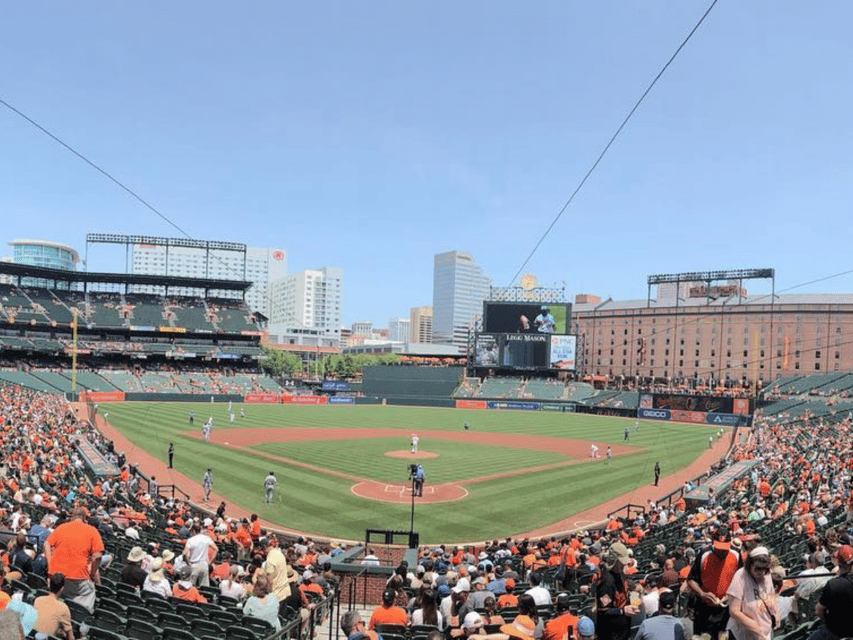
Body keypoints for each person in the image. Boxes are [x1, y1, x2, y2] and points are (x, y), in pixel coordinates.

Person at [44, 506, 104, 613]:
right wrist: (92, 573)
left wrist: (50, 565)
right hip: (78, 578)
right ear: (84, 519)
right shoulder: (92, 530)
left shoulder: (61, 527)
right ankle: (79, 623)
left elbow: (46, 544)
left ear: (72, 517)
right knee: (90, 593)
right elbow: (97, 557)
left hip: (56, 577)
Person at [687, 527, 740, 639]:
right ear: (712, 543)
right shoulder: (704, 554)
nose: (722, 552)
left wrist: (731, 594)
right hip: (704, 609)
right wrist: (702, 593)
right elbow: (691, 579)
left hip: (726, 609)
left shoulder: (736, 555)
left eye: (725, 548)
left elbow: (742, 580)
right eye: (719, 548)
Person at [726, 546, 776, 640]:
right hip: (744, 634)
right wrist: (756, 630)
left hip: (765, 632)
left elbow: (771, 596)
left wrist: (776, 615)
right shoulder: (740, 576)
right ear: (750, 565)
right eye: (758, 568)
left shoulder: (767, 574)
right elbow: (734, 611)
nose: (761, 572)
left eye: (764, 568)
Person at [808, 544, 853, 640]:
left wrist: (837, 577)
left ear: (838, 562)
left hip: (836, 632)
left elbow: (818, 611)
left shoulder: (833, 585)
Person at [596, 542, 638, 640]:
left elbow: (633, 590)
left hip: (623, 630)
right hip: (611, 633)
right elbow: (603, 611)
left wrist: (635, 602)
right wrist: (622, 611)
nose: (625, 564)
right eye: (621, 561)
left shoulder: (620, 573)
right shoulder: (606, 582)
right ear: (614, 561)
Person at [32, 572, 74, 640]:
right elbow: (70, 637)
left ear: (49, 585)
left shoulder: (38, 600)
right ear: (62, 588)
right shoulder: (63, 608)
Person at [182, 522, 217, 587]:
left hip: (194, 565)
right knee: (204, 588)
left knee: (190, 587)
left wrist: (188, 562)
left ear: (193, 530)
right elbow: (216, 549)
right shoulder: (206, 538)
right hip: (204, 565)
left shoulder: (190, 540)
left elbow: (184, 553)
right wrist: (210, 562)